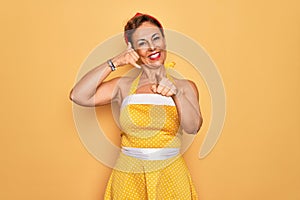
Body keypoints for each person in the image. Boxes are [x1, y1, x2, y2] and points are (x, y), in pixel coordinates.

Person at [69, 13, 203, 200]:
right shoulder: (123, 86)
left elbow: (193, 126)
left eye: (156, 38)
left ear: (164, 40)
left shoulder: (185, 86)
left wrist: (176, 94)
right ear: (133, 49)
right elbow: (78, 95)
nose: (152, 47)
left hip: (171, 174)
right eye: (142, 42)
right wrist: (116, 62)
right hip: (128, 175)